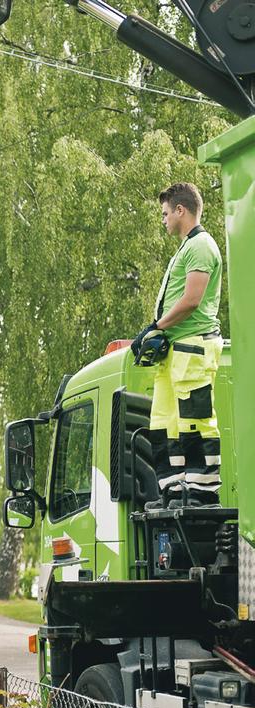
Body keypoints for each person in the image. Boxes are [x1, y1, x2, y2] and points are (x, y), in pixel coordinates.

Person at [130, 182, 223, 508]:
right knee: (164, 424)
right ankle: (173, 492)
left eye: (166, 213)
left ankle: (201, 493)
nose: (164, 220)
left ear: (181, 210)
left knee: (195, 421)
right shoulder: (187, 247)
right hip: (176, 349)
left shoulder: (200, 247)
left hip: (193, 347)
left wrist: (154, 327)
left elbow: (191, 300)